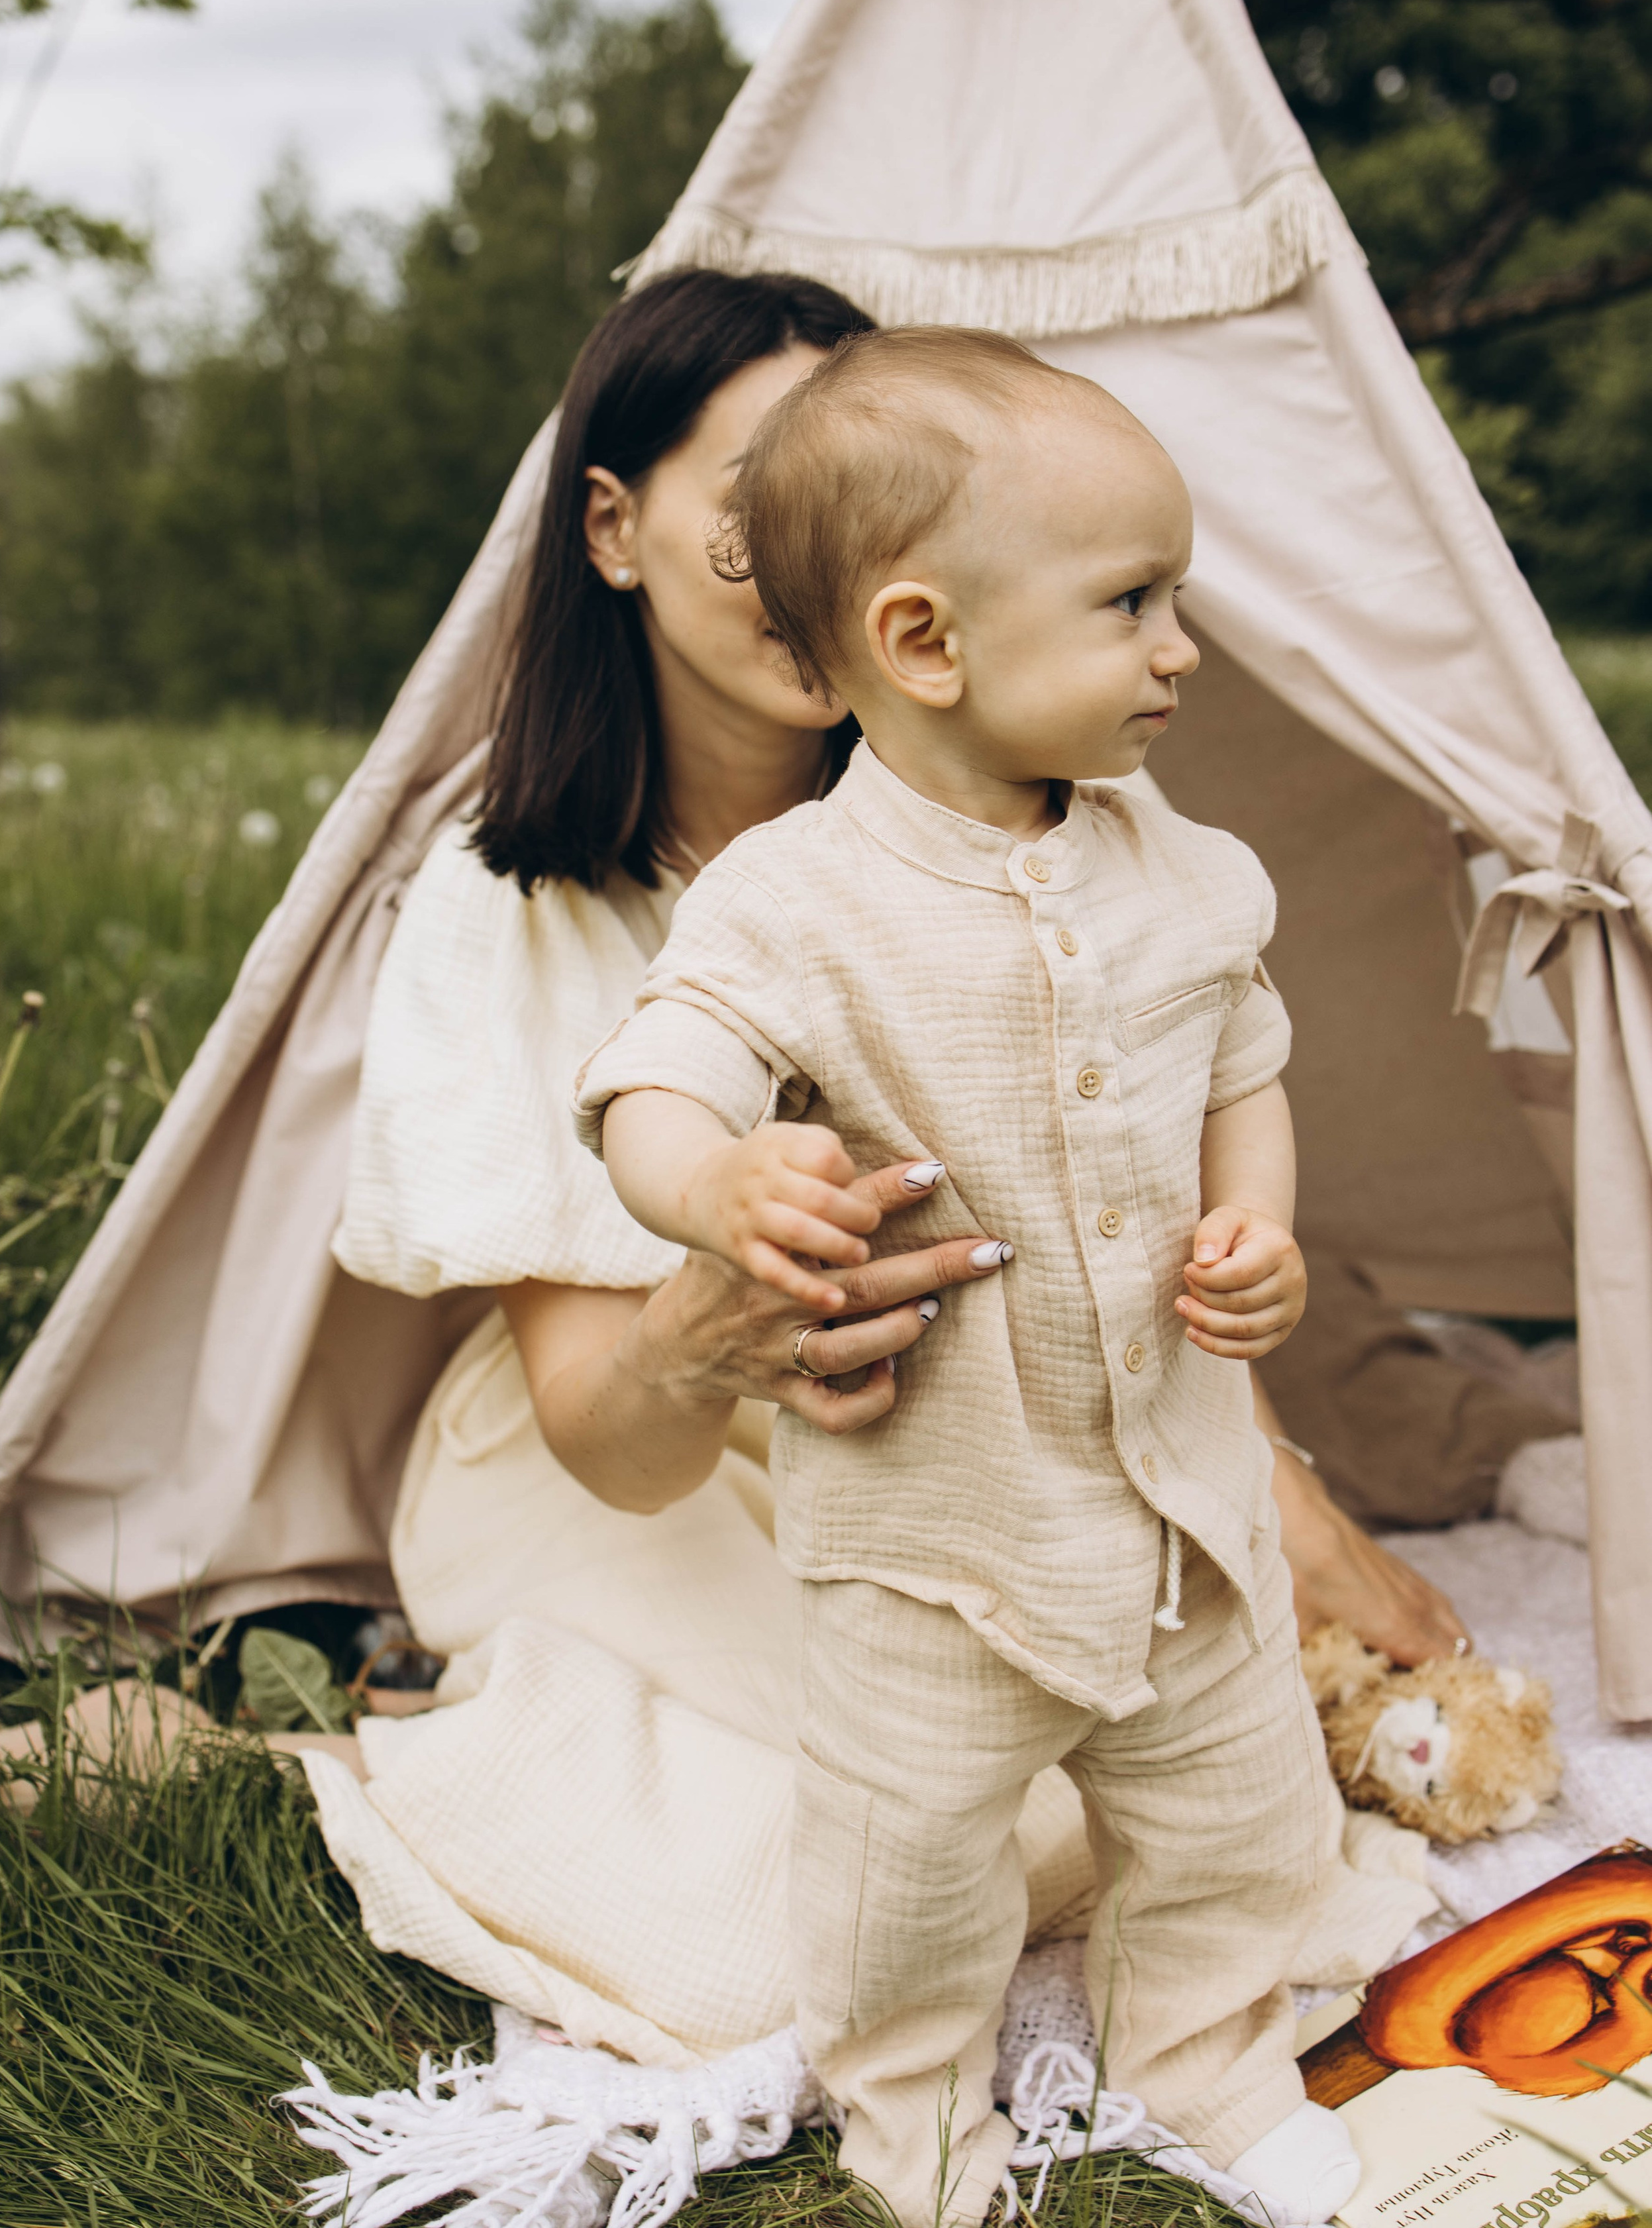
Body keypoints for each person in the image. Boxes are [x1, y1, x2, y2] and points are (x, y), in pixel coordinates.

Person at [578, 326, 1356, 2228]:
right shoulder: (794, 900)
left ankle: (1208, 2061)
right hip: (941, 1531)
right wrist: (722, 1183)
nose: (1182, 646)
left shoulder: (1186, 873)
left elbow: (1244, 1066)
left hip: (1176, 1505)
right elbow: (646, 1082)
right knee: (906, 1868)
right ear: (928, 643)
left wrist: (1257, 1225)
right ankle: (920, 2128)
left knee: (1234, 1819)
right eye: (1134, 602)